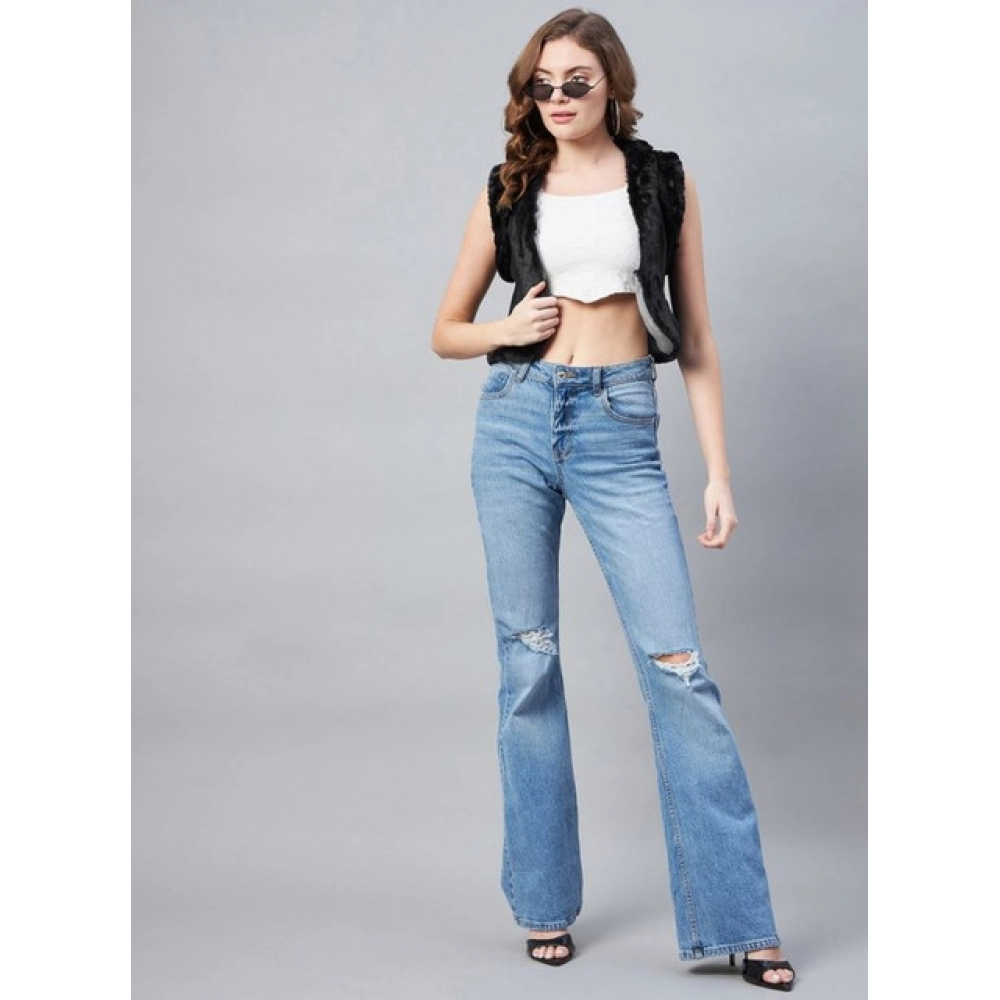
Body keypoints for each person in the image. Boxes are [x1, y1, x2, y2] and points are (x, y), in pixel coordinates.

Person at [430, 7, 796, 992]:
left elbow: (699, 340)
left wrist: (718, 472)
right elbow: (446, 329)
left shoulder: (662, 181)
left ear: (612, 87)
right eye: (541, 84)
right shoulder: (509, 186)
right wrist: (505, 332)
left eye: (575, 82)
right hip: (516, 420)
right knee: (528, 663)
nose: (556, 99)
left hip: (619, 424)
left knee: (678, 668)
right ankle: (543, 903)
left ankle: (739, 921)